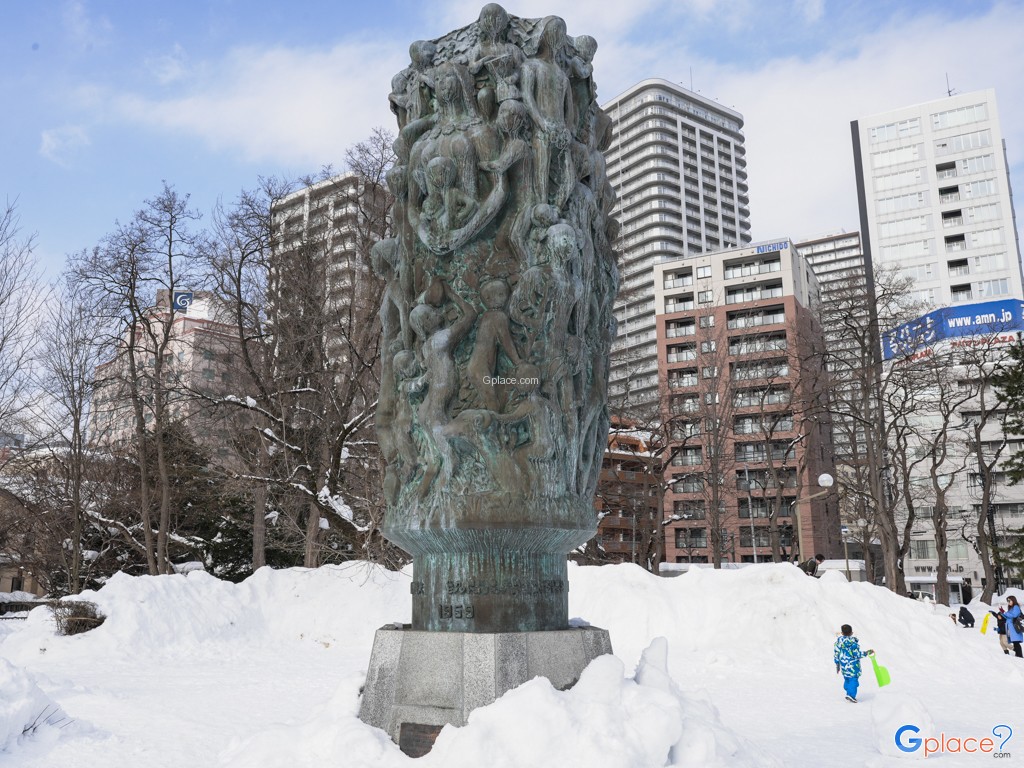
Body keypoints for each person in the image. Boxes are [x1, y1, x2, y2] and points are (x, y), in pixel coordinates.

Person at [834, 624, 874, 703]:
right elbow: (857, 654)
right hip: (853, 667)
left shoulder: (838, 643)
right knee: (854, 681)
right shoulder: (853, 644)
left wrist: (837, 664)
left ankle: (847, 689)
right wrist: (867, 653)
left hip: (844, 666)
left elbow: (836, 653)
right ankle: (851, 695)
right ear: (851, 633)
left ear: (842, 633)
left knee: (847, 678)